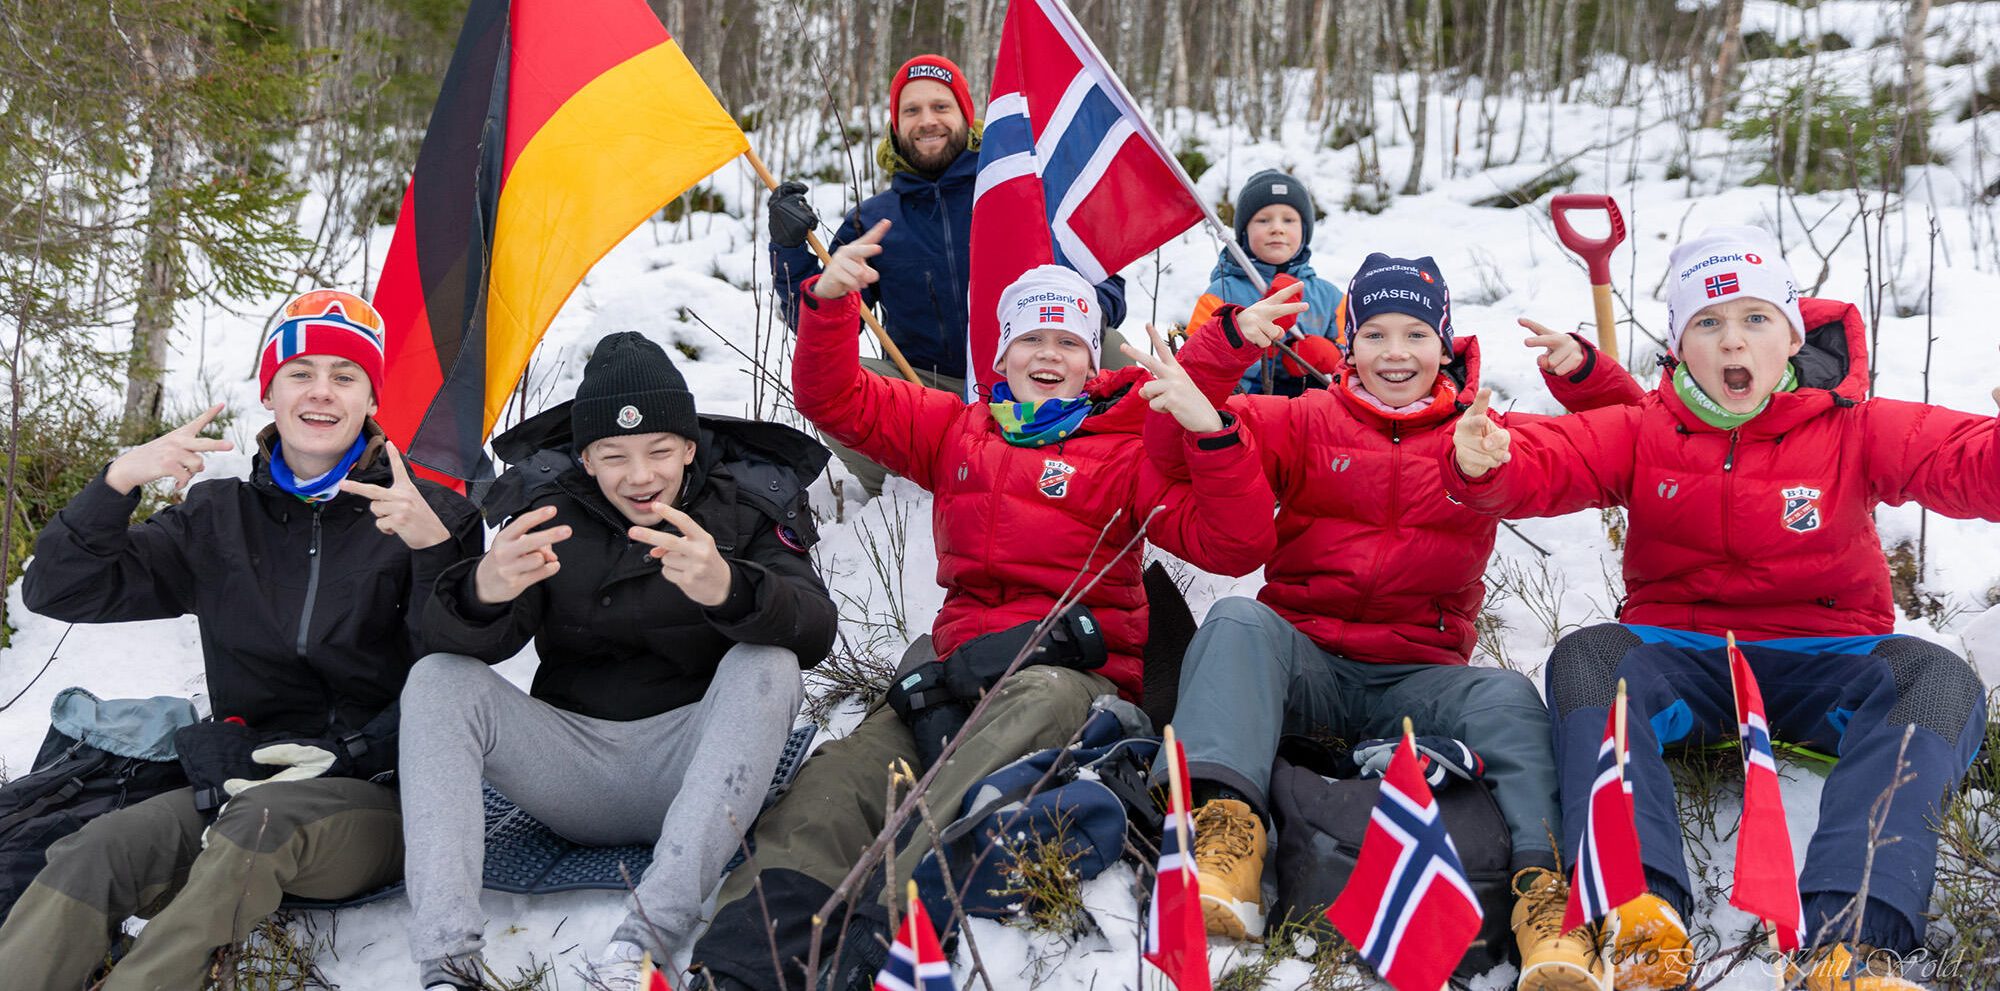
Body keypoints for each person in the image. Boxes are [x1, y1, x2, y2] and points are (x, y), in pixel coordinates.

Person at [689, 224, 1291, 991]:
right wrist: (832, 306)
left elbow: (1234, 546)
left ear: (1091, 357)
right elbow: (835, 398)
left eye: (1069, 342)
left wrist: (1212, 436)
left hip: (1073, 681)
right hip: (956, 672)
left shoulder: (1127, 448)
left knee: (1011, 719)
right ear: (1000, 354)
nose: (1049, 355)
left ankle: (876, 932)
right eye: (1031, 338)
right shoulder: (957, 430)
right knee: (833, 788)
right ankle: (741, 959)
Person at [1444, 227, 1993, 991]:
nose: (1732, 339)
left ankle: (1852, 940)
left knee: (1936, 676)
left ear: (1793, 335)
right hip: (1682, 655)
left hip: (1830, 658)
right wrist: (1484, 461)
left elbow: (1961, 460)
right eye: (1708, 322)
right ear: (1679, 344)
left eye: (1756, 319)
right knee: (1589, 657)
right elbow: (1549, 459)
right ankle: (1637, 905)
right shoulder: (1644, 426)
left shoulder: (1856, 424)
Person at [1148, 255, 1642, 989]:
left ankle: (1543, 903)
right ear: (1348, 345)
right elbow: (1172, 446)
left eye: (1415, 333)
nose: (1396, 353)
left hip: (1418, 679)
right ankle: (1225, 843)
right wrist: (1223, 354)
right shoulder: (1303, 420)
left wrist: (1588, 379)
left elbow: (1638, 442)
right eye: (1374, 334)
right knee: (1235, 621)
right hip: (1305, 662)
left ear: (1446, 344)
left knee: (1506, 695)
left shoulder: (1485, 433)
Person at [0, 290, 483, 991]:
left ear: (371, 398)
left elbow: (459, 667)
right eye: (301, 373)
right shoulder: (218, 516)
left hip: (385, 795)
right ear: (271, 390)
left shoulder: (429, 513)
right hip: (240, 781)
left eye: (345, 377)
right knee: (95, 849)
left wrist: (434, 550)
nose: (322, 392)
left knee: (257, 827)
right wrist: (119, 481)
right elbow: (61, 591)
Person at [400, 332, 838, 991]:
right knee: (435, 681)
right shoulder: (546, 507)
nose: (640, 476)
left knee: (768, 664)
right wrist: (482, 588)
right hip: (572, 763)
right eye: (614, 456)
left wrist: (730, 587)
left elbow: (813, 630)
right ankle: (448, 964)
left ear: (690, 447)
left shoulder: (747, 503)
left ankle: (645, 939)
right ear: (585, 458)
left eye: (661, 452)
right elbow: (473, 647)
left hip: (700, 765)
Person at [767, 53, 1128, 495]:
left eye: (941, 107)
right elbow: (813, 329)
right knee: (840, 370)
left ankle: (1102, 462)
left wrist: (1062, 328)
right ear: (895, 125)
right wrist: (788, 249)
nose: (927, 121)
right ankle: (909, 491)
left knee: (1112, 347)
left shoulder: (1016, 189)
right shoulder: (874, 219)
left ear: (967, 116)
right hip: (929, 391)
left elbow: (1106, 284)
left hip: (1030, 368)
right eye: (912, 110)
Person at [1185, 169, 1345, 395]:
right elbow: (1193, 361)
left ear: (1305, 230)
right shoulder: (1221, 293)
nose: (1277, 228)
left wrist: (1334, 355)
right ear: (1243, 233)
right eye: (1263, 220)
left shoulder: (1330, 298)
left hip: (1314, 414)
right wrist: (1248, 341)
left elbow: (1360, 357)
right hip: (1241, 408)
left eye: (1289, 220)